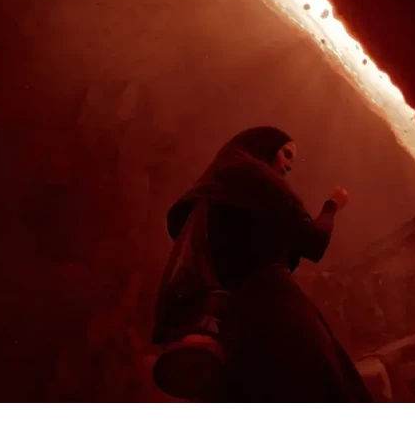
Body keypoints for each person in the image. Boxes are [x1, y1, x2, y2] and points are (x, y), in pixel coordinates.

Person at [151, 126, 371, 402]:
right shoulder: (259, 181)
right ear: (265, 148)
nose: (289, 166)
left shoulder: (218, 191)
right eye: (286, 154)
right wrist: (332, 205)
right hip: (276, 307)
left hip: (235, 323)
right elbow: (314, 242)